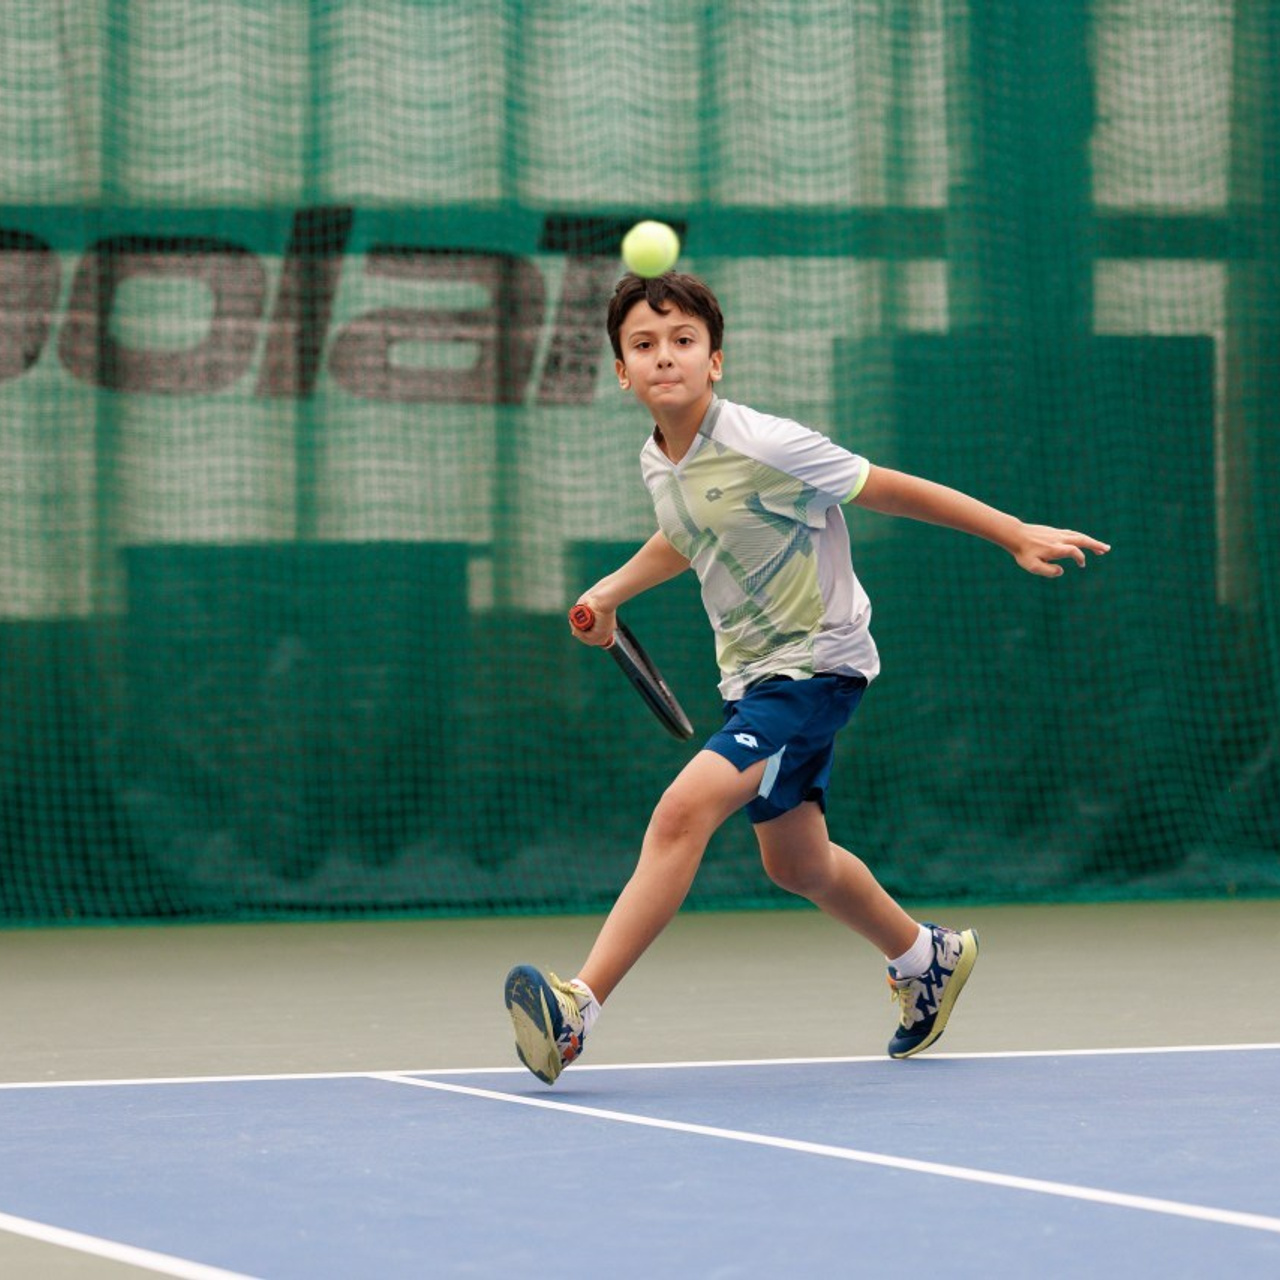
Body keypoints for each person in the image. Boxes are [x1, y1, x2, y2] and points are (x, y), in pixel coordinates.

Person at [504, 272, 1109, 1085]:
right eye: (643, 346)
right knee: (796, 863)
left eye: (683, 341)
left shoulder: (766, 444)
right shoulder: (660, 459)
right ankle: (924, 957)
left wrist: (1011, 533)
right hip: (753, 679)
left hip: (813, 667)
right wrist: (609, 592)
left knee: (681, 813)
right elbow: (689, 534)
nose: (665, 357)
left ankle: (578, 1011)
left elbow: (885, 487)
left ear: (714, 360)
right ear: (621, 372)